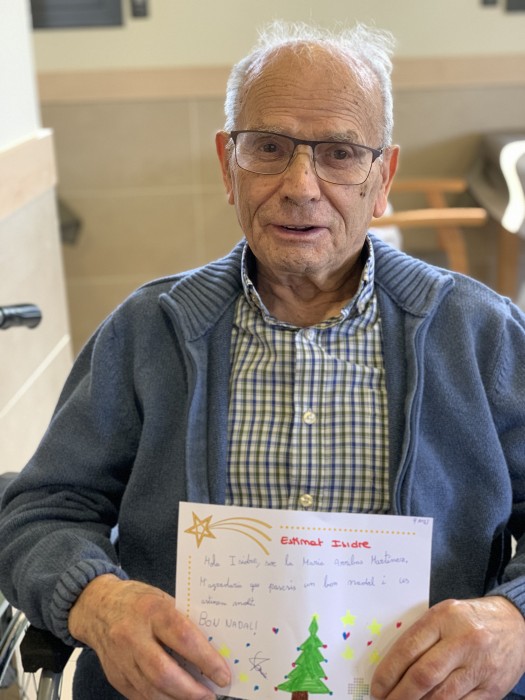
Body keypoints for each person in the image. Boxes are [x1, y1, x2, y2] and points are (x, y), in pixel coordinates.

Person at [1, 19, 525, 700]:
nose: (301, 185)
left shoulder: (480, 334)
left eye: (340, 153)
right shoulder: (147, 332)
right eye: (269, 148)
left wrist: (513, 618)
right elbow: (37, 512)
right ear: (228, 163)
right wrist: (98, 602)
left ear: (383, 176)